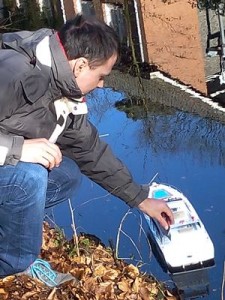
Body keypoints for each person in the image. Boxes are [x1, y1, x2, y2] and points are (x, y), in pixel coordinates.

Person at [0, 14, 174, 286]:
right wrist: (18, 149)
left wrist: (140, 199)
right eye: (101, 75)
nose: (103, 84)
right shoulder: (13, 72)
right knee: (30, 178)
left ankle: (11, 232)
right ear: (80, 65)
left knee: (66, 174)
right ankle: (14, 262)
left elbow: (90, 150)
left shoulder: (63, 89)